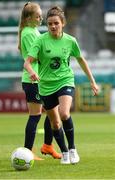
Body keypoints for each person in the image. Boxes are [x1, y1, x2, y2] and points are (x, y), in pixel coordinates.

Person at [24, 6, 99, 164]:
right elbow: (27, 62)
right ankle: (64, 152)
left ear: (62, 23)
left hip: (65, 80)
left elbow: (81, 60)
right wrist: (31, 71)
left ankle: (72, 149)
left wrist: (92, 81)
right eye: (50, 23)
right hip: (45, 85)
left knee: (64, 113)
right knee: (55, 122)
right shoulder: (40, 40)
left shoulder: (70, 41)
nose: (53, 26)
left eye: (56, 23)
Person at [18, 2, 61, 160]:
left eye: (41, 15)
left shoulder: (33, 30)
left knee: (52, 112)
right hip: (33, 80)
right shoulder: (28, 33)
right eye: (38, 16)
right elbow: (34, 57)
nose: (41, 18)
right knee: (35, 116)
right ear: (29, 18)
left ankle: (47, 146)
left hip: (41, 79)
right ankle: (27, 152)